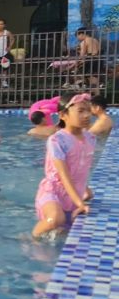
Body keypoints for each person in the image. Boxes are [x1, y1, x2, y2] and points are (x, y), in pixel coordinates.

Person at [32, 93, 96, 239]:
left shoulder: (91, 138)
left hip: (74, 195)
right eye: (80, 111)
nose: (87, 115)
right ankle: (32, 239)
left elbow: (82, 168)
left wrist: (84, 190)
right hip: (53, 192)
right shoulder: (57, 140)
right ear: (63, 115)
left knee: (63, 232)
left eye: (88, 110)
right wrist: (80, 203)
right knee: (54, 219)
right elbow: (63, 175)